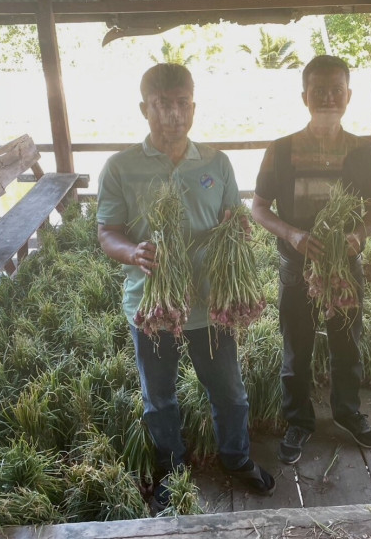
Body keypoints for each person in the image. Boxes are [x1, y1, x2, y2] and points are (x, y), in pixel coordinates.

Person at [96, 63, 275, 510]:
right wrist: (133, 252)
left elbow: (233, 218)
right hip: (153, 305)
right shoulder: (120, 167)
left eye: (182, 104)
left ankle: (236, 458)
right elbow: (107, 232)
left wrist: (237, 234)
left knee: (230, 392)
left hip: (211, 304)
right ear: (144, 108)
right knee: (159, 399)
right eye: (162, 105)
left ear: (193, 107)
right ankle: (171, 470)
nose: (173, 115)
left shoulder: (216, 163)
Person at [251, 55, 371, 465]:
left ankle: (347, 413)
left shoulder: (362, 150)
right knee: (297, 349)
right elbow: (258, 208)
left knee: (347, 346)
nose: (328, 98)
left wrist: (358, 236)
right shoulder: (281, 150)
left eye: (336, 90)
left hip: (345, 268)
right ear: (304, 96)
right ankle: (299, 421)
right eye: (319, 90)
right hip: (297, 269)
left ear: (348, 96)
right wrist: (292, 234)